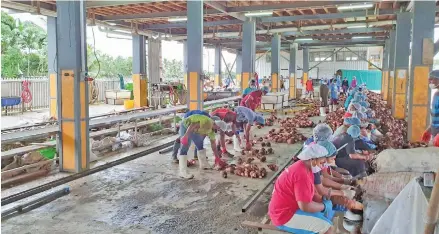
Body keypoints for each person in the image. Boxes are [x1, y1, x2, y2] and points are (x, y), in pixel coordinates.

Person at [269, 144, 334, 234]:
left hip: (288, 207)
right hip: (283, 215)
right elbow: (305, 206)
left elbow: (308, 193)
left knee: (326, 217)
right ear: (313, 159)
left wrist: (321, 200)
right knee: (328, 229)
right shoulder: (301, 174)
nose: (323, 166)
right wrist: (324, 206)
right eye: (321, 162)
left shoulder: (305, 167)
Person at [178, 114, 227, 179]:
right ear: (218, 126)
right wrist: (186, 135)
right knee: (185, 147)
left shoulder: (211, 130)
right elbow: (193, 125)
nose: (218, 130)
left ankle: (203, 164)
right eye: (219, 129)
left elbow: (213, 144)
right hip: (186, 126)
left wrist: (217, 158)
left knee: (200, 144)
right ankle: (182, 172)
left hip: (194, 130)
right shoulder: (208, 122)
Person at [422, 70, 439, 146]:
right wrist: (430, 129)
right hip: (435, 133)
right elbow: (435, 115)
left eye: (432, 79)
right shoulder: (436, 94)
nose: (429, 81)